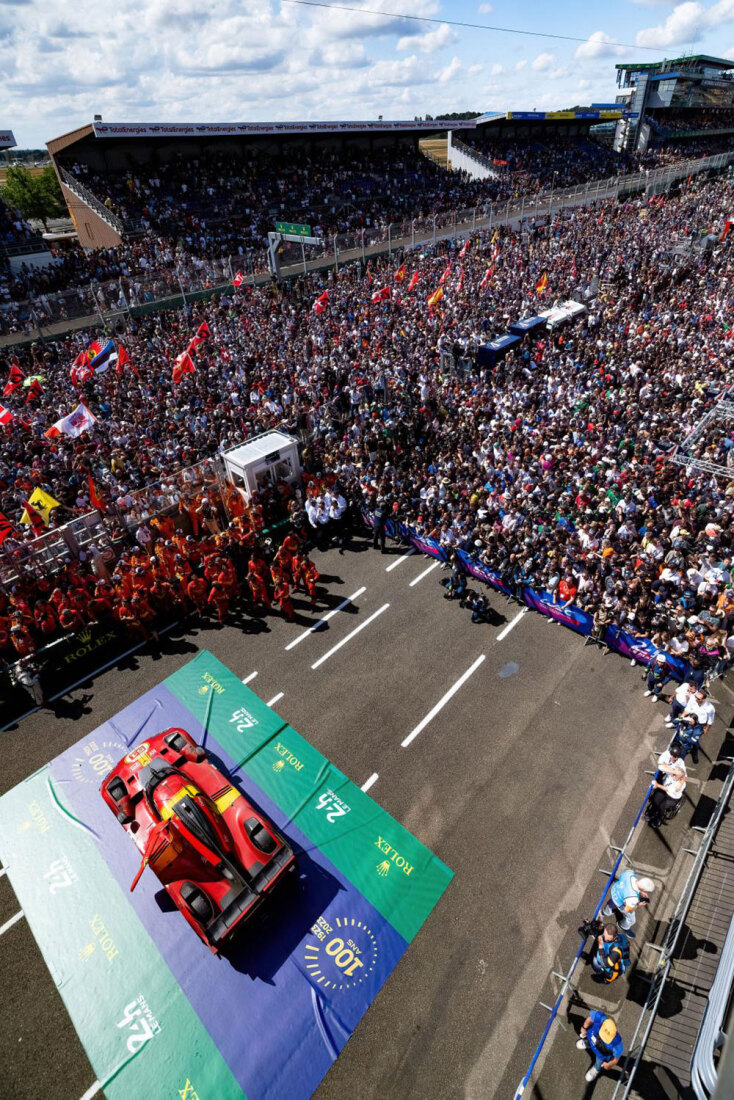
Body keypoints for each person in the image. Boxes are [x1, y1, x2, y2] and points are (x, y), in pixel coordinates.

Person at [602, 869, 655, 937]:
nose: (647, 893)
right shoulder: (633, 898)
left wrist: (640, 892)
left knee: (611, 905)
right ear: (643, 890)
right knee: (631, 920)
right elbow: (628, 910)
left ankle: (604, 912)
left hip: (615, 891)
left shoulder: (630, 873)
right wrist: (638, 904)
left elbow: (622, 878)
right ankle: (623, 926)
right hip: (620, 902)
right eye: (646, 892)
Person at [645, 745, 687, 828]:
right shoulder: (674, 772)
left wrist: (657, 785)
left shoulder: (679, 782)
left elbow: (667, 788)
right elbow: (661, 766)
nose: (673, 775)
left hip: (672, 797)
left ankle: (659, 818)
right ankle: (652, 812)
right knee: (656, 800)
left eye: (675, 775)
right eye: (672, 754)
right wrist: (672, 770)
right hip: (665, 788)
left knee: (662, 806)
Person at [576, 1011, 624, 1082]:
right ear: (602, 1024)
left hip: (601, 1054)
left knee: (599, 1062)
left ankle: (596, 1068)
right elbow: (589, 1018)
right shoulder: (599, 1017)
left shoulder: (617, 1044)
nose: (604, 1039)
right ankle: (587, 1043)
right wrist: (584, 1028)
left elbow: (616, 1059)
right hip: (591, 1039)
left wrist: (609, 1064)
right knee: (590, 1041)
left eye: (606, 1038)